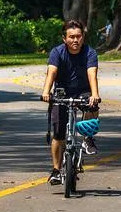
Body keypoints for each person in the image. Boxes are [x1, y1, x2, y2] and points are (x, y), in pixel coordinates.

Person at [41, 20, 101, 185]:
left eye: (79, 36)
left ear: (83, 37)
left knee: (92, 104)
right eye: (72, 37)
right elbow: (51, 72)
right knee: (59, 135)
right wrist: (46, 92)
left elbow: (92, 74)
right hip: (61, 93)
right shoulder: (57, 52)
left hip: (83, 92)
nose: (76, 40)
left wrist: (95, 94)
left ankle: (88, 138)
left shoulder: (90, 53)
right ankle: (55, 170)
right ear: (64, 38)